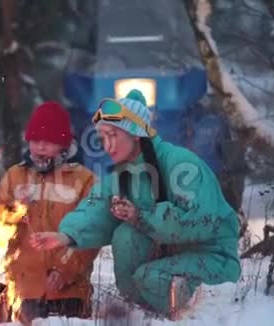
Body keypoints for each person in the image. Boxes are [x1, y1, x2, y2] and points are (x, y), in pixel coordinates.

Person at [29, 90, 241, 319]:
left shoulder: (181, 163)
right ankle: (146, 312)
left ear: (136, 134)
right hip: (168, 252)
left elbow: (198, 222)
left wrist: (141, 216)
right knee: (125, 237)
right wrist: (65, 236)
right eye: (102, 138)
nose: (107, 146)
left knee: (151, 277)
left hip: (211, 253)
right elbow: (95, 207)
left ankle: (187, 304)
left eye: (113, 135)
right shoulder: (123, 175)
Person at [0, 101, 101, 323]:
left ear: (63, 144)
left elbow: (91, 232)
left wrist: (65, 271)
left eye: (48, 141)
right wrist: (11, 212)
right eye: (35, 140)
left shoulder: (84, 180)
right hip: (22, 289)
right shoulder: (15, 176)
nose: (40, 147)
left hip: (69, 291)